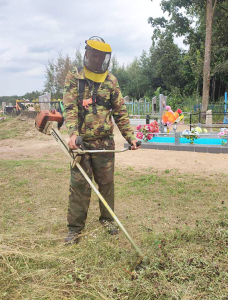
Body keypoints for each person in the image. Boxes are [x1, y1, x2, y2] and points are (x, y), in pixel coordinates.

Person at [62, 36, 139, 244]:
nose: (97, 60)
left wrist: (130, 137)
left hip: (104, 143)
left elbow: (120, 112)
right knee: (79, 185)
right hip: (81, 145)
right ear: (87, 54)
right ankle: (75, 229)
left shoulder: (111, 81)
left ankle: (108, 221)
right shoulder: (74, 77)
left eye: (101, 57)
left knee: (106, 184)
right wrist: (73, 134)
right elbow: (69, 108)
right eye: (94, 55)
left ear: (106, 58)